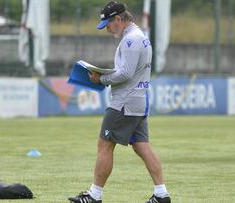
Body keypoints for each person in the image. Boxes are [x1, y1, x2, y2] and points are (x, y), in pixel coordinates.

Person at [68, 1, 171, 203]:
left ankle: (94, 196)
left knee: (104, 145)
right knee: (142, 146)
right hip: (138, 101)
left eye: (108, 23)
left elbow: (125, 73)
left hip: (124, 103)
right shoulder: (140, 36)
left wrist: (101, 79)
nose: (107, 29)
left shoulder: (131, 40)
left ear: (118, 19)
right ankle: (161, 194)